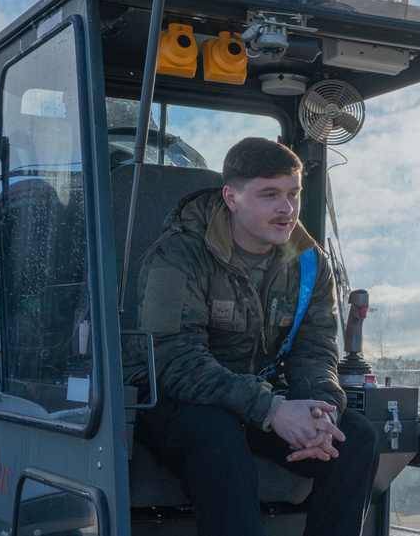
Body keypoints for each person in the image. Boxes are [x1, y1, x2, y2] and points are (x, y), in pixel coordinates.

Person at [133, 137, 379, 536]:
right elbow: (174, 362)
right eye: (270, 195)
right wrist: (273, 410)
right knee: (217, 432)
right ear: (232, 197)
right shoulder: (176, 256)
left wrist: (324, 410)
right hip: (172, 400)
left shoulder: (310, 263)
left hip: (255, 397)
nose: (287, 208)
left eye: (293, 193)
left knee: (355, 438)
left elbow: (314, 351)